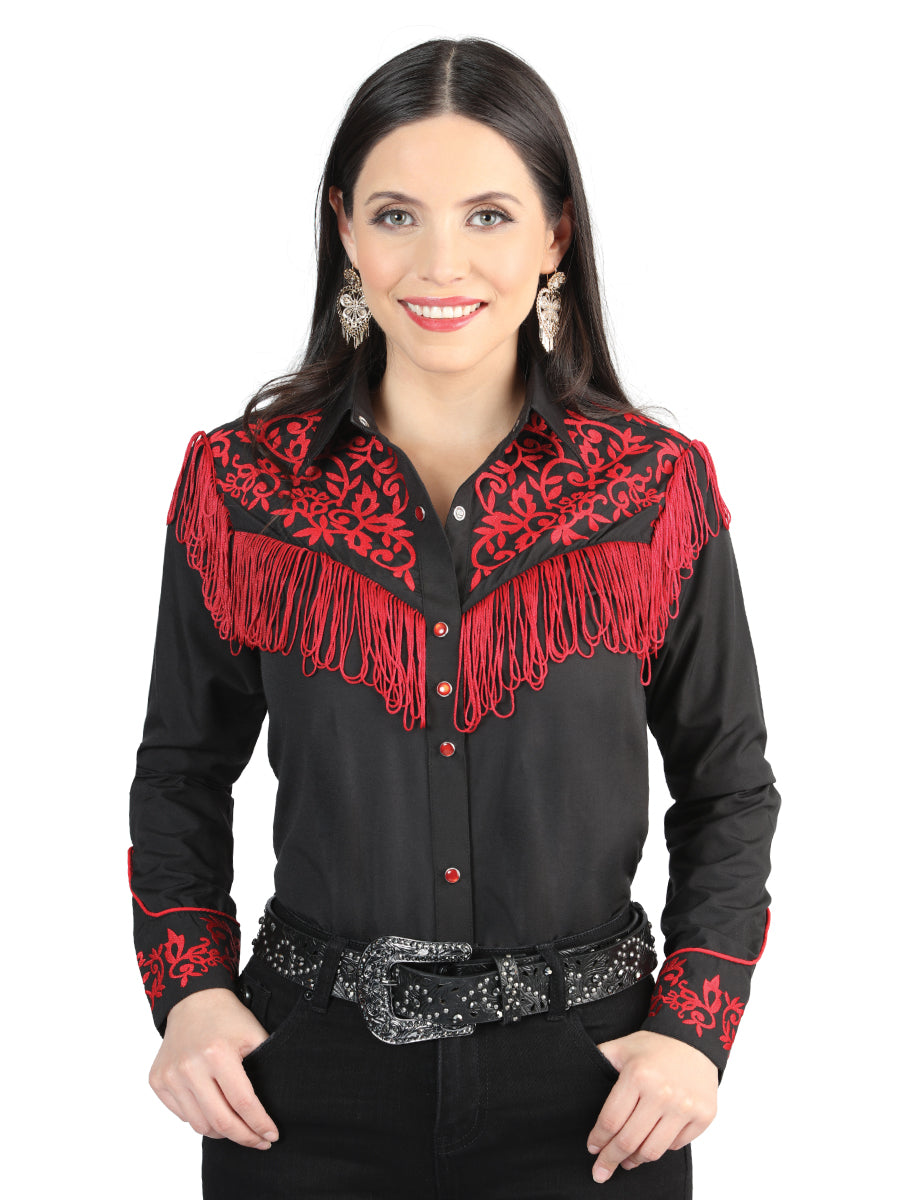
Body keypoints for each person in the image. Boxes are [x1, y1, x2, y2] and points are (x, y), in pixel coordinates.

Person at [128, 37, 780, 1199]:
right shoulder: (242, 486)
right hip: (299, 1092)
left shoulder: (655, 490)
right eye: (396, 215)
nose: (439, 262)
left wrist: (694, 1030)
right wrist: (190, 994)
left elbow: (727, 785)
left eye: (488, 215)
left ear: (555, 235)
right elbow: (182, 771)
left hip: (596, 1098)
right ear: (344, 227)